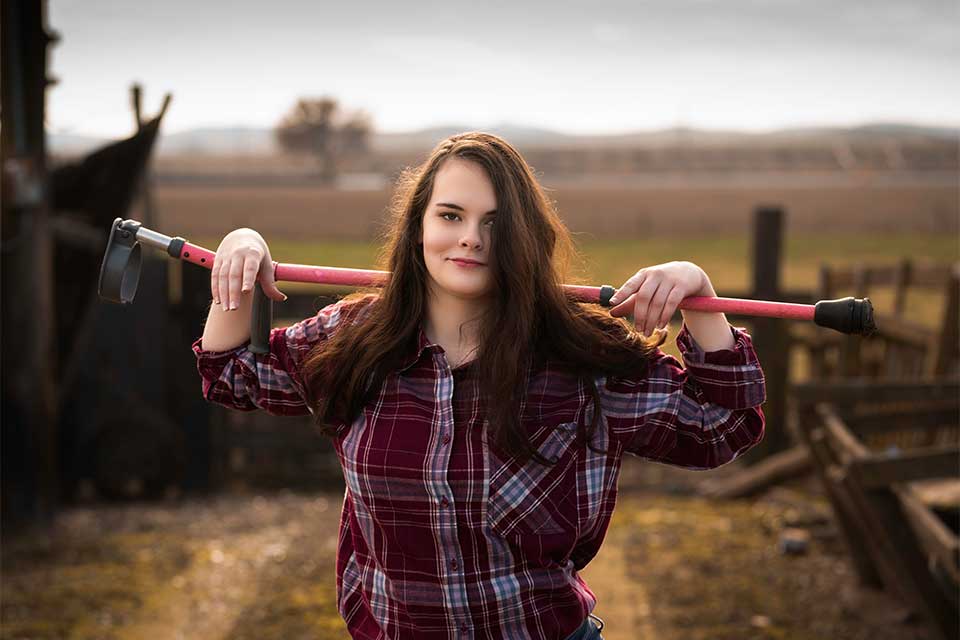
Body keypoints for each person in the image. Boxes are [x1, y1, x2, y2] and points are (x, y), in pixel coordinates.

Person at [192, 132, 766, 640]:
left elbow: (722, 428)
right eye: (450, 216)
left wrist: (698, 292)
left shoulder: (576, 359)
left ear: (525, 238)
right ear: (418, 225)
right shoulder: (355, 341)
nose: (470, 238)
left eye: (494, 223)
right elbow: (232, 375)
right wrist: (239, 253)